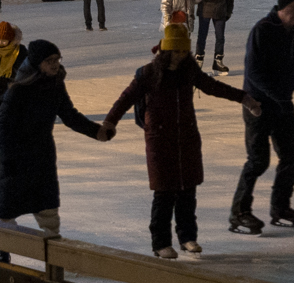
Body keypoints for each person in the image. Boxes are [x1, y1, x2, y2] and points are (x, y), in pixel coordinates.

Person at [104, 22, 255, 258]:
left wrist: (244, 98)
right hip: (159, 139)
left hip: (186, 136)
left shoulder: (189, 71)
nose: (181, 56)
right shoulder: (148, 74)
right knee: (164, 193)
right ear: (165, 51)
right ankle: (160, 242)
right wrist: (109, 123)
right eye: (176, 51)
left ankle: (187, 237)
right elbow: (125, 98)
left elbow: (213, 87)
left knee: (187, 190)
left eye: (184, 51)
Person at [0, 40, 109, 256]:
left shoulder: (55, 85)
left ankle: (53, 247)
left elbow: (69, 114)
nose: (55, 65)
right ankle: (4, 248)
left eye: (57, 60)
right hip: (16, 156)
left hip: (42, 153)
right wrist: (7, 156)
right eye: (49, 61)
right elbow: (1, 128)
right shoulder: (18, 91)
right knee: (9, 205)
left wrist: (96, 131)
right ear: (38, 63)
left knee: (46, 204)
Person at [230, 0, 294, 233]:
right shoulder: (263, 30)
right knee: (258, 161)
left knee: (291, 157)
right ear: (281, 7)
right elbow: (253, 72)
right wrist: (277, 96)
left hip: (283, 104)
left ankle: (280, 207)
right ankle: (239, 213)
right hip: (257, 105)